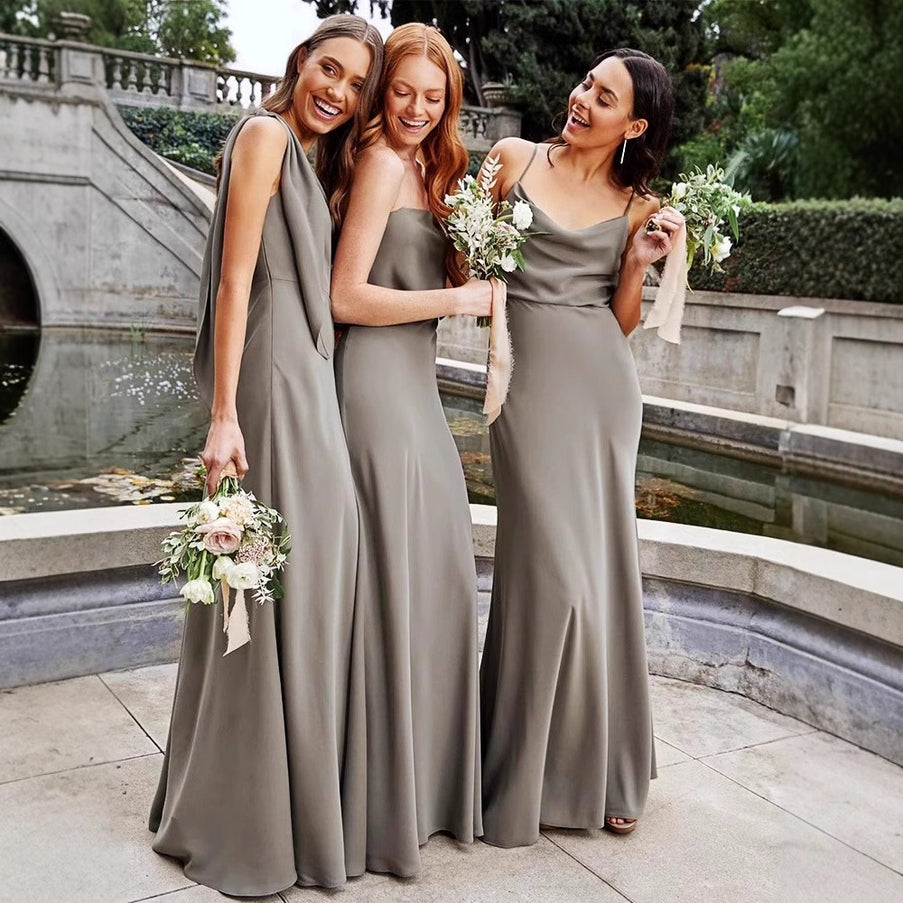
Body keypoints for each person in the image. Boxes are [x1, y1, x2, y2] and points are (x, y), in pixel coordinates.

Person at [149, 15, 383, 895]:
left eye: (355, 84)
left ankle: (285, 801)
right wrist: (223, 416)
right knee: (267, 582)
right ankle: (244, 817)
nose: (338, 91)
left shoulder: (315, 156)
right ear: (300, 62)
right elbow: (234, 276)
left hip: (307, 377)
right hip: (271, 381)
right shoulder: (262, 135)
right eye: (330, 69)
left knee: (298, 577)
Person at [477, 48, 684, 847]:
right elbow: (461, 259)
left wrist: (636, 264)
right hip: (523, 384)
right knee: (550, 576)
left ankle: (608, 769)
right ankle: (519, 769)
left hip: (600, 390)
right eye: (585, 84)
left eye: (604, 97)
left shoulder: (637, 206)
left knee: (599, 576)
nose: (582, 98)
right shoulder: (511, 158)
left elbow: (619, 319)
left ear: (632, 126)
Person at [329, 22, 491, 878]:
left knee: (437, 573)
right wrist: (458, 299)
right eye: (402, 91)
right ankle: (378, 797)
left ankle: (420, 786)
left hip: (417, 391)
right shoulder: (380, 164)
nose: (416, 109)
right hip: (374, 388)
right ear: (380, 90)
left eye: (433, 97)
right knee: (392, 576)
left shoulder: (437, 169)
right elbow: (346, 297)